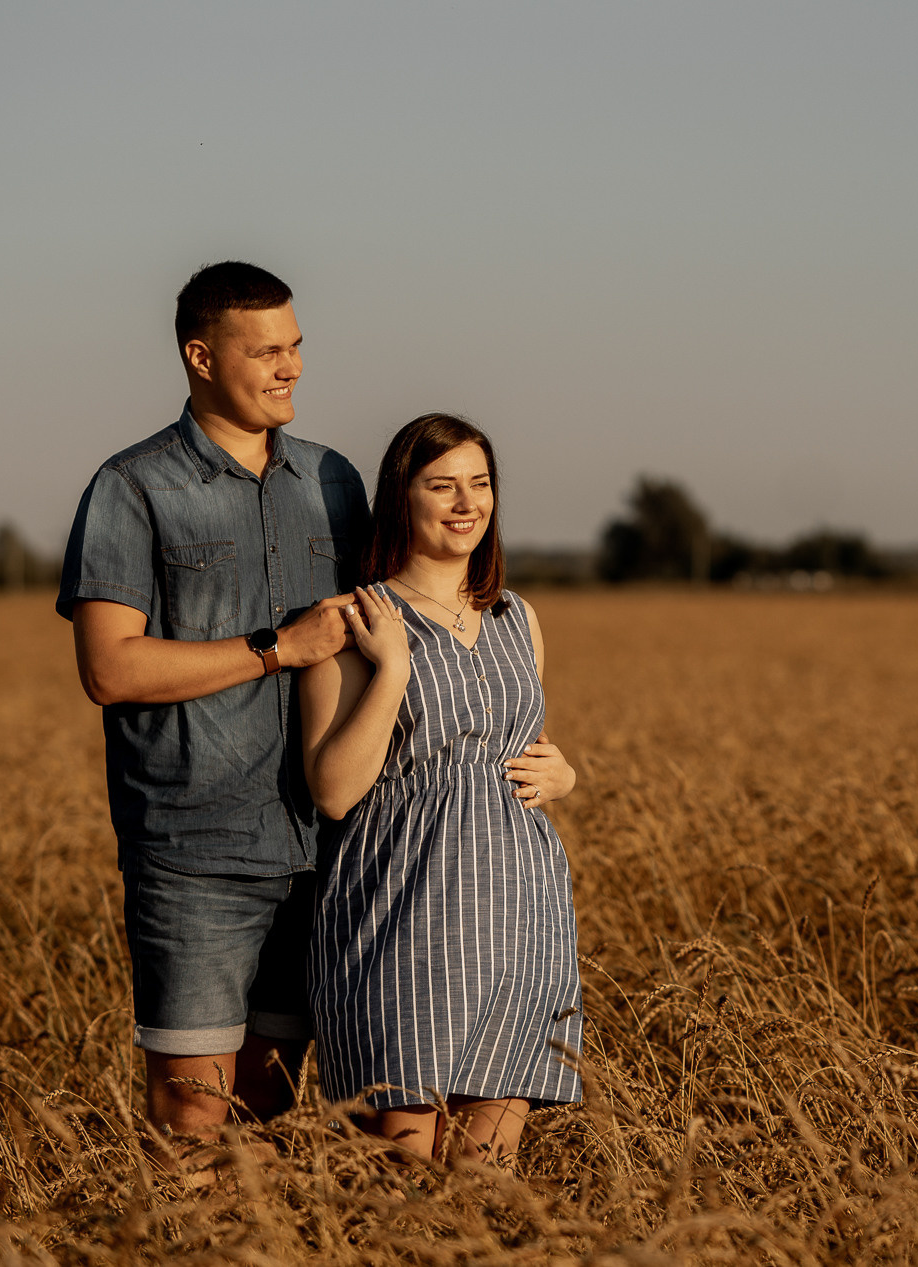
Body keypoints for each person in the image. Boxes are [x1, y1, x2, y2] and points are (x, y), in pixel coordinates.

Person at [56, 261, 368, 1140]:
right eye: (266, 350)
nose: (291, 366)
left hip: (327, 850)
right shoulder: (132, 487)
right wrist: (278, 649)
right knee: (193, 1112)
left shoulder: (335, 481)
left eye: (295, 345)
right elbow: (109, 669)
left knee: (272, 1103)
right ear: (200, 356)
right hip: (195, 854)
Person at [299, 413, 582, 1165]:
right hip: (404, 912)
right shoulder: (355, 619)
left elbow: (516, 745)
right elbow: (334, 790)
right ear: (402, 496)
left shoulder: (517, 616)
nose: (466, 503)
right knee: (401, 1169)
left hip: (520, 913)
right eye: (442, 485)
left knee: (486, 1175)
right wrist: (391, 668)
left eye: (480, 484)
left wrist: (564, 774)